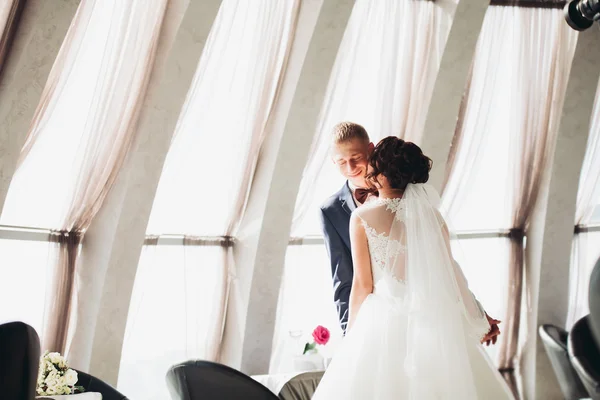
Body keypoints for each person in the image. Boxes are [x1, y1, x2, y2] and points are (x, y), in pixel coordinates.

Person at [312, 137, 514, 399]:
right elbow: (451, 274)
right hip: (433, 324)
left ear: (379, 172)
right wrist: (477, 317)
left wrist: (351, 335)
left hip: (381, 324)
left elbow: (362, 285)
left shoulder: (361, 218)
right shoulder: (433, 218)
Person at [319, 122, 375, 333]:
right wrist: (348, 333)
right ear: (333, 161)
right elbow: (342, 278)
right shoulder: (330, 210)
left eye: (356, 158)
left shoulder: (403, 193)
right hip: (370, 317)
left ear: (370, 149)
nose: (350, 169)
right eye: (342, 162)